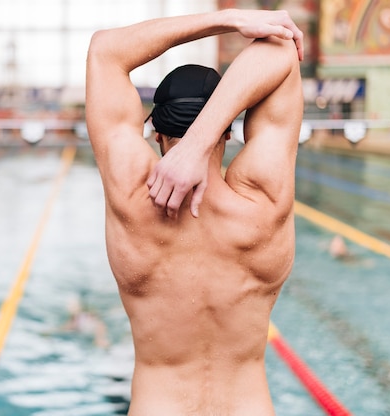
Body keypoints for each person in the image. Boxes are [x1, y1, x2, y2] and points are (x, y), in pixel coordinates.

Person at [85, 8, 304, 416]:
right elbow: (280, 49)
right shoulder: (263, 203)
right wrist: (202, 137)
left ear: (156, 133)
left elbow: (105, 51)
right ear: (228, 129)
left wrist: (227, 18)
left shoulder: (132, 197)